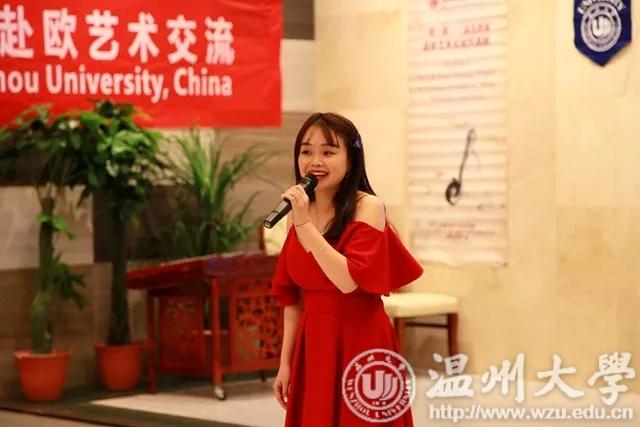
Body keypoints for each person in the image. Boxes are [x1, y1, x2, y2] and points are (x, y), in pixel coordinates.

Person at [269, 112, 424, 426]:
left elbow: (348, 280)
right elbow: (293, 299)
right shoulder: (299, 213)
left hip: (361, 339)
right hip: (314, 343)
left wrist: (305, 226)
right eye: (306, 151)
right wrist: (285, 363)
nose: (315, 161)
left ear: (351, 160)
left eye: (328, 152)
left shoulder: (368, 207)